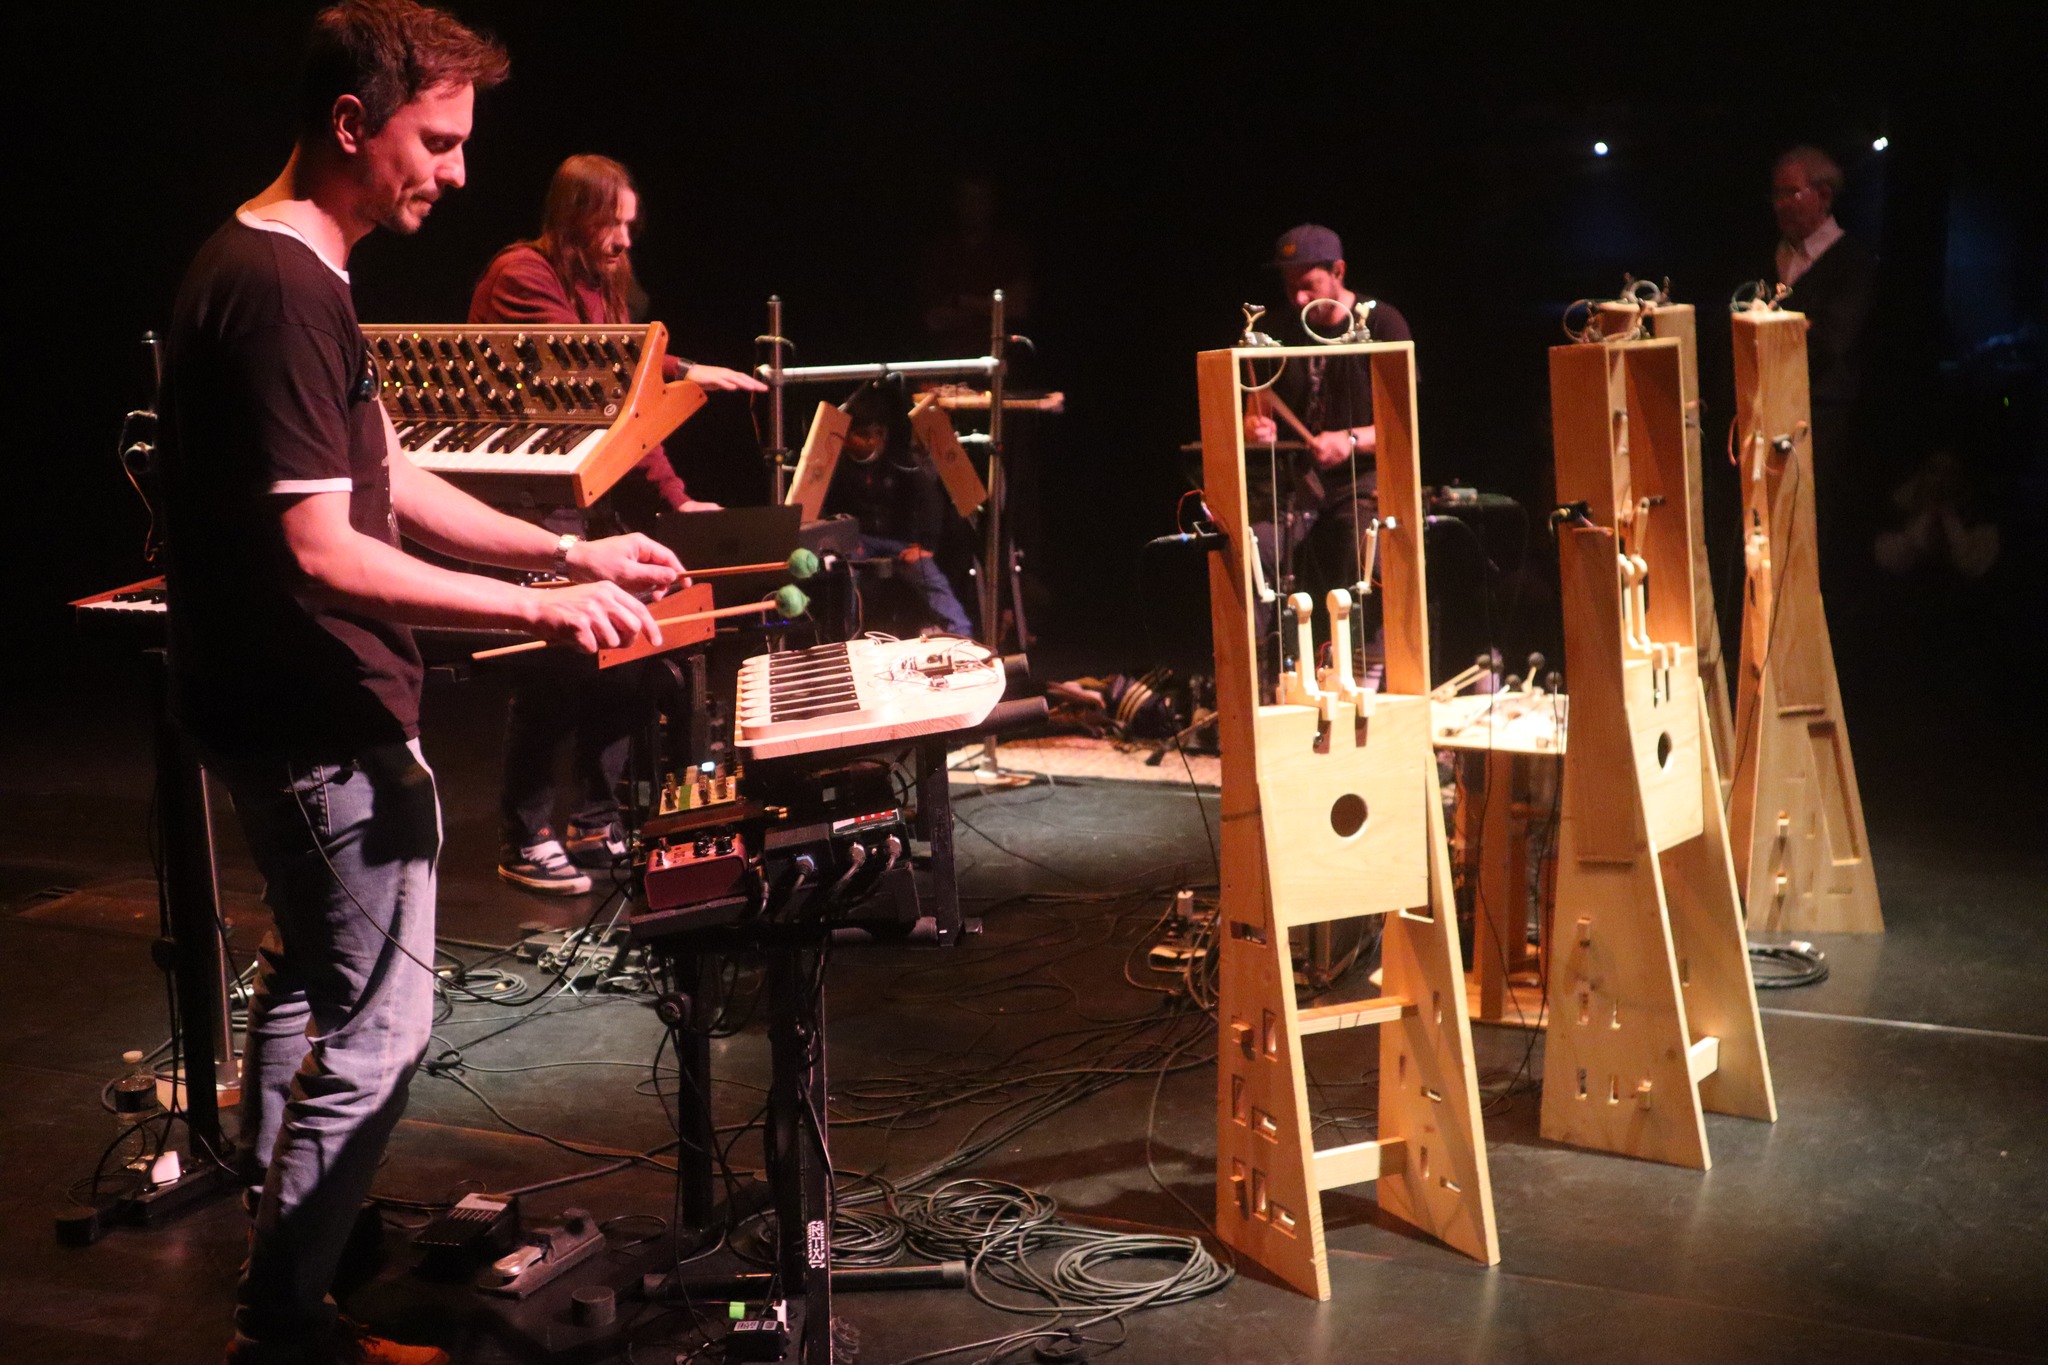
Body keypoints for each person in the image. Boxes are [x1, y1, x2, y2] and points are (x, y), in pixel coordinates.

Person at [155, 6, 684, 1361]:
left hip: (274, 705)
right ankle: (286, 1322)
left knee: (306, 990)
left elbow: (389, 476)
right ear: (353, 124)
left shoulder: (290, 267)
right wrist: (542, 609)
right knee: (381, 1032)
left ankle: (295, 1279)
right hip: (316, 718)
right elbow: (324, 550)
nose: (455, 172)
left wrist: (568, 547)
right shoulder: (282, 288)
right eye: (435, 141)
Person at [469, 154, 764, 893]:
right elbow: (595, 372)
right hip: (527, 501)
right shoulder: (522, 275)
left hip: (586, 495)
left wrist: (677, 499)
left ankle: (595, 819)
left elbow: (632, 421)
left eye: (630, 225)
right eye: (613, 224)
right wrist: (679, 370)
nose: (625, 240)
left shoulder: (606, 288)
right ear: (577, 216)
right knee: (554, 669)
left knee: (630, 647)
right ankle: (523, 836)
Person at [1242, 223, 1414, 603]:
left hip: (1363, 480)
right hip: (1296, 483)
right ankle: (1267, 642)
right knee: (1254, 549)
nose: (1299, 298)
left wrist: (1349, 440)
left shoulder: (1381, 324)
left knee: (1368, 549)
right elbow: (1255, 412)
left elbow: (1404, 428)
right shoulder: (1276, 330)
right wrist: (1254, 429)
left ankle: (1374, 643)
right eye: (1290, 287)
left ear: (1338, 271)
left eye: (1309, 286)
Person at [1765, 144, 1877, 573]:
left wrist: (1788, 330)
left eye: (1790, 193)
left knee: (1813, 531)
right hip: (1769, 407)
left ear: (1824, 195)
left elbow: (1831, 340)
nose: (1781, 204)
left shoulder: (1852, 262)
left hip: (1823, 420)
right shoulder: (1774, 257)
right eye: (1776, 194)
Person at [824, 382, 976, 637]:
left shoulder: (900, 462)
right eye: (863, 434)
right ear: (846, 436)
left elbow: (929, 499)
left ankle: (963, 636)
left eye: (879, 433)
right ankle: (847, 638)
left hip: (900, 542)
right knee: (845, 578)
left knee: (932, 579)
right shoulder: (834, 466)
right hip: (859, 541)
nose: (873, 441)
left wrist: (925, 545)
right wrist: (839, 544)